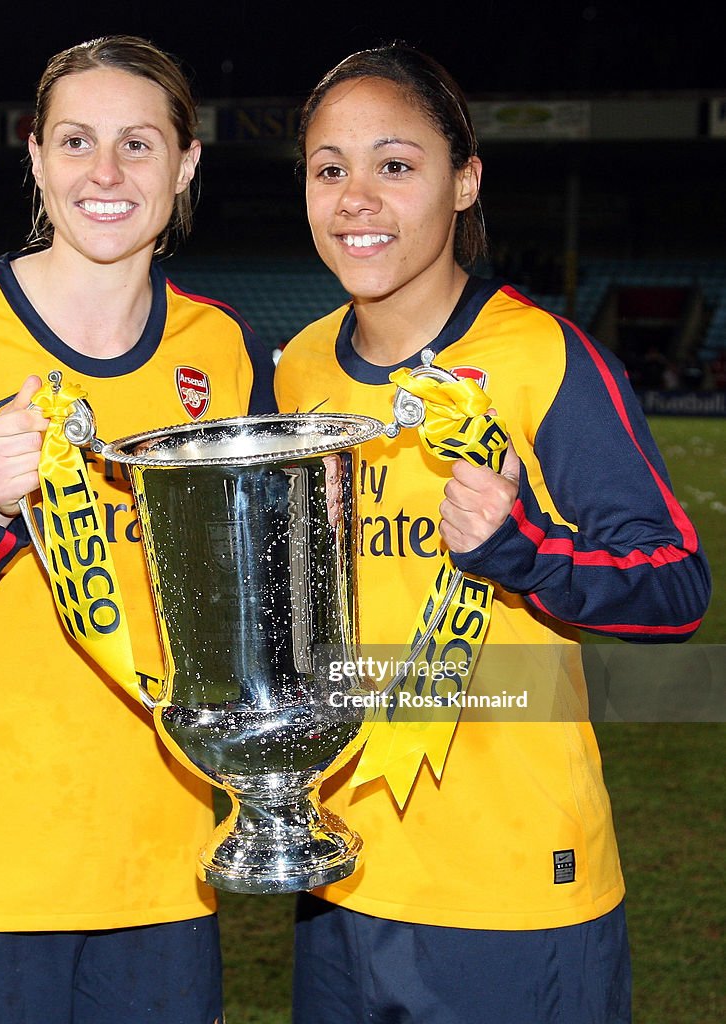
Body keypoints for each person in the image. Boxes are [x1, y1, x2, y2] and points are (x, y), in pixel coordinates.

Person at [0, 35, 273, 1024]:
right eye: (75, 141)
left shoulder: (228, 353)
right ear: (35, 156)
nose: (105, 174)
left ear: (186, 163)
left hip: (159, 883)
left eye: (138, 145)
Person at [275, 43, 711, 1024]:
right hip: (338, 874)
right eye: (328, 168)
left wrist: (523, 550)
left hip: (516, 891)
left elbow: (677, 585)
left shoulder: (545, 358)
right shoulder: (299, 371)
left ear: (464, 181)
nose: (356, 198)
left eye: (395, 165)